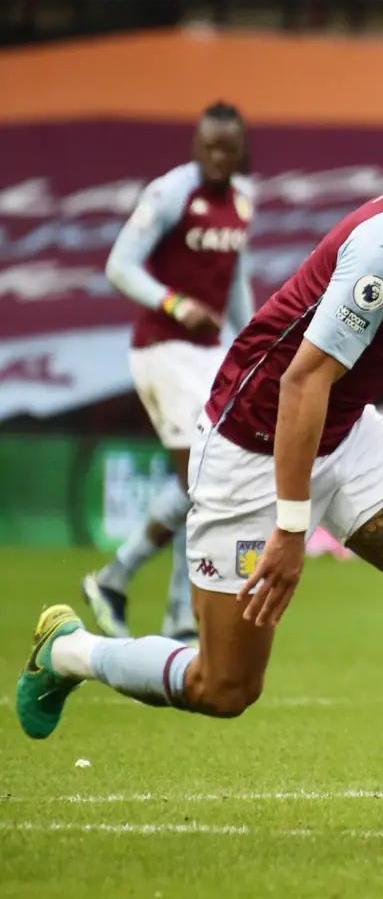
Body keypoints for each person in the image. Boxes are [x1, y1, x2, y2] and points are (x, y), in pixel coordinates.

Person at [16, 91, 383, 854]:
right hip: (253, 446)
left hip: (346, 432)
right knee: (225, 687)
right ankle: (68, 652)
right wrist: (291, 531)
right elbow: (301, 382)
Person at [82, 102, 256, 643]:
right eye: (210, 146)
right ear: (196, 145)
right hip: (164, 350)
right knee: (201, 477)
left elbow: (234, 282)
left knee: (205, 482)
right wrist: (176, 304)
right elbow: (119, 266)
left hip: (207, 354)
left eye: (228, 148)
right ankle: (118, 579)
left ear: (241, 150)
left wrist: (253, 345)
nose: (218, 157)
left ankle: (177, 621)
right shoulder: (171, 193)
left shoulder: (242, 200)